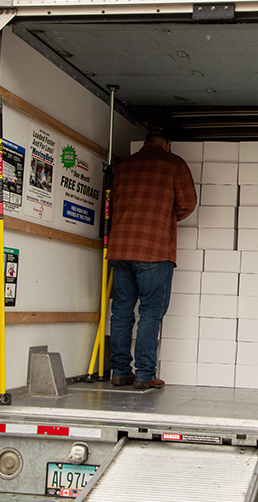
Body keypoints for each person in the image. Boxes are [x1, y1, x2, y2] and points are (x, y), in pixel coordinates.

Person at [107, 128, 197, 389]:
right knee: (150, 313)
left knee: (122, 311)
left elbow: (113, 200)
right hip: (154, 251)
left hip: (120, 248)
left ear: (145, 142)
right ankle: (145, 374)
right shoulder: (174, 164)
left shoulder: (125, 165)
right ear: (167, 144)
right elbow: (188, 203)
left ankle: (120, 372)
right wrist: (164, 219)